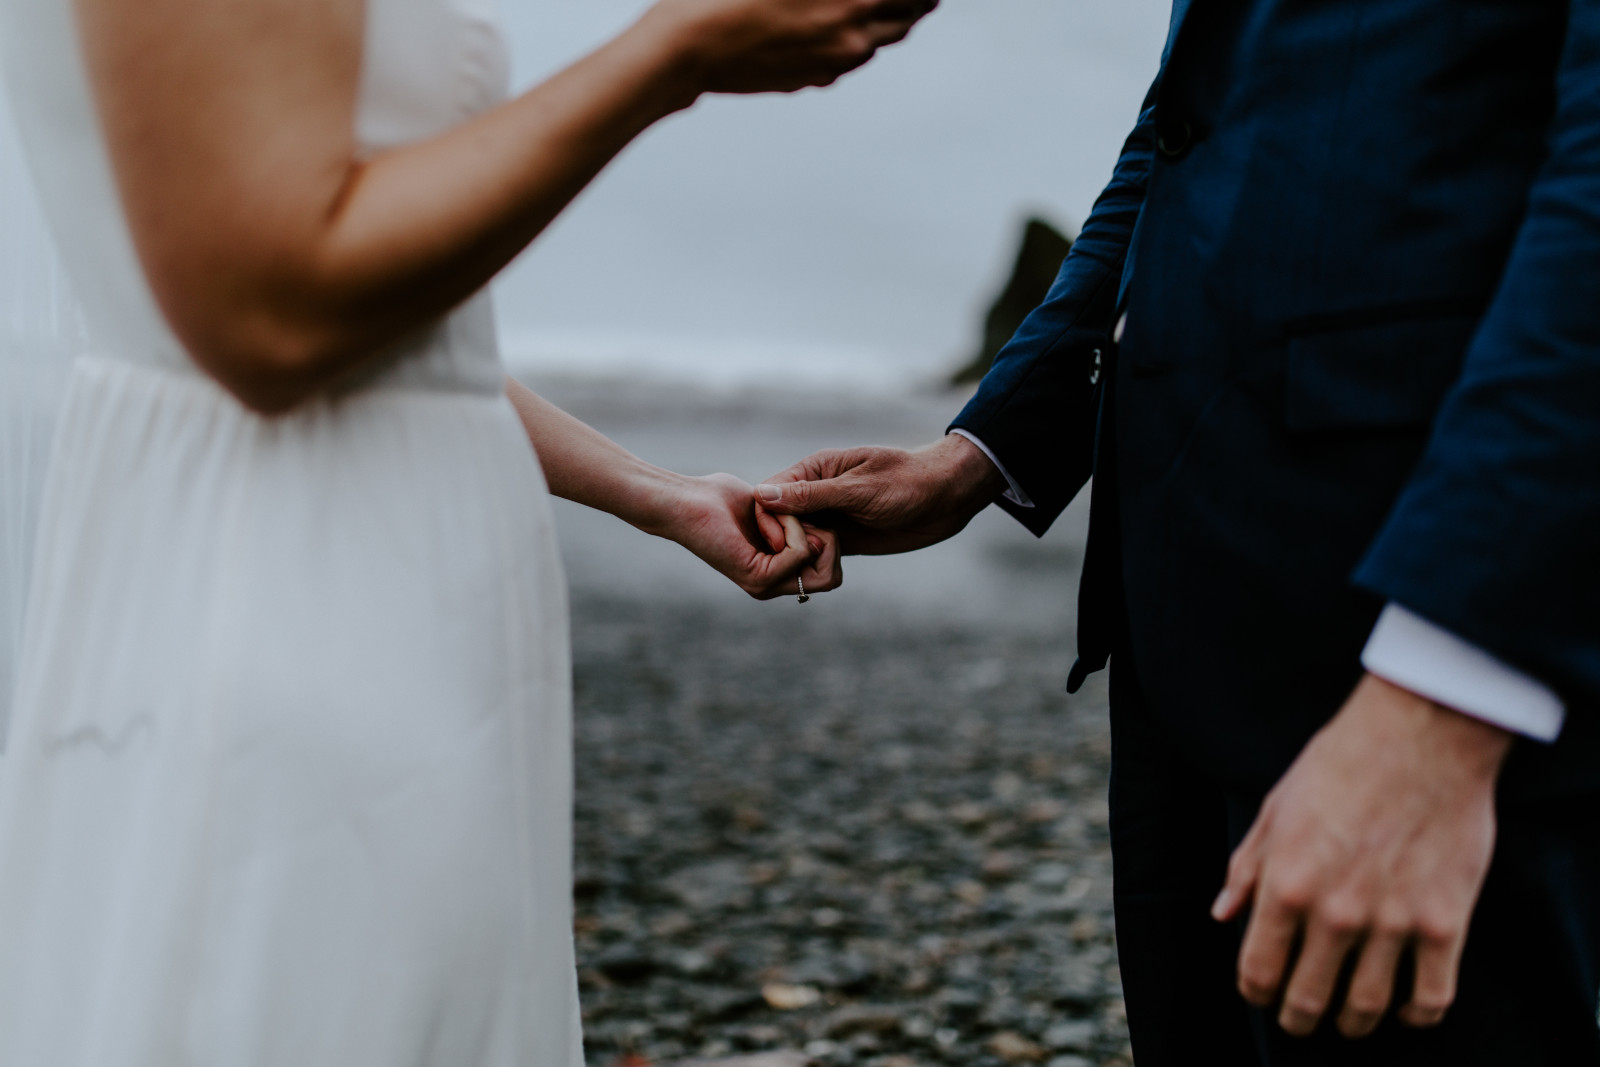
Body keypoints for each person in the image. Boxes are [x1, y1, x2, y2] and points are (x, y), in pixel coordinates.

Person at [0, 0, 936, 1062]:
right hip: (286, 588)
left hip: (362, 586)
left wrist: (658, 493)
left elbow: (392, 332)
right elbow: (270, 312)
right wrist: (675, 52)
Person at [757, 2, 1600, 1063]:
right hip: (1177, 586)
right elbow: (1190, 119)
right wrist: (983, 452)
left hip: (1415, 598)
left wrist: (1445, 698)